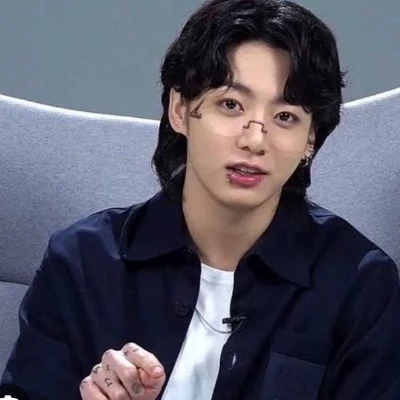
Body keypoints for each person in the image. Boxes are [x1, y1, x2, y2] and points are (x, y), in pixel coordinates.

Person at [1, 0, 400, 399]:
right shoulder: (82, 261)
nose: (254, 140)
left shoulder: (360, 285)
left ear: (309, 140)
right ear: (180, 109)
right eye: (231, 105)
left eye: (285, 117)